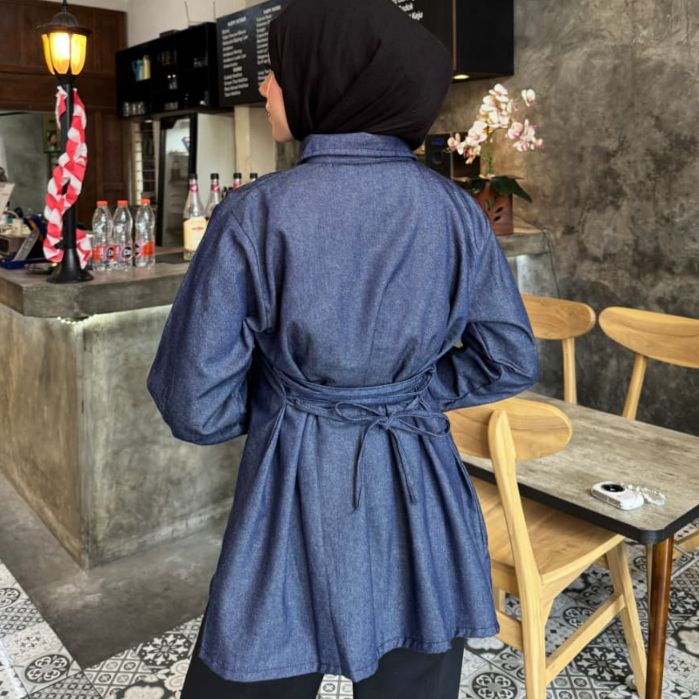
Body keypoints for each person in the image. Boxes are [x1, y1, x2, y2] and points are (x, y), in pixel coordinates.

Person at [147, 0, 539, 696]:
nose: (265, 85)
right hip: (420, 490)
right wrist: (405, 394)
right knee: (415, 671)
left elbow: (195, 407)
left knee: (255, 666)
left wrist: (293, 401)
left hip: (291, 490)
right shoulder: (457, 211)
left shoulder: (253, 215)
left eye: (277, 70)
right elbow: (508, 358)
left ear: (328, 79)